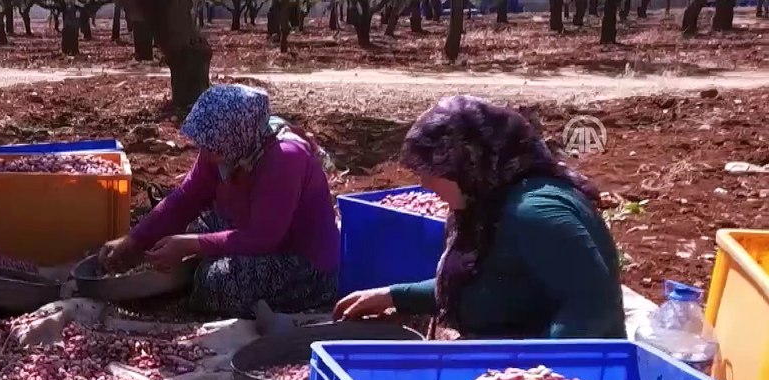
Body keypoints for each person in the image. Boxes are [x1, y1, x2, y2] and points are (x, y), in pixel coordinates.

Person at [333, 95, 626, 340]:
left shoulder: (532, 213)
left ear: (468, 163)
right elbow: (485, 285)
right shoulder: (490, 203)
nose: (424, 184)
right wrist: (394, 295)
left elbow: (592, 308)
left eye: (430, 171)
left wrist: (537, 379)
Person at [99, 84, 339, 318]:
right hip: (246, 231)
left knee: (216, 282)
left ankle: (192, 289)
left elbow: (263, 238)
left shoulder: (284, 159)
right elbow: (186, 198)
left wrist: (192, 245)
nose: (205, 153)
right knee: (179, 234)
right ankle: (187, 276)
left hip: (299, 262)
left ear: (236, 136)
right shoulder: (231, 148)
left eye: (212, 146)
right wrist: (134, 239)